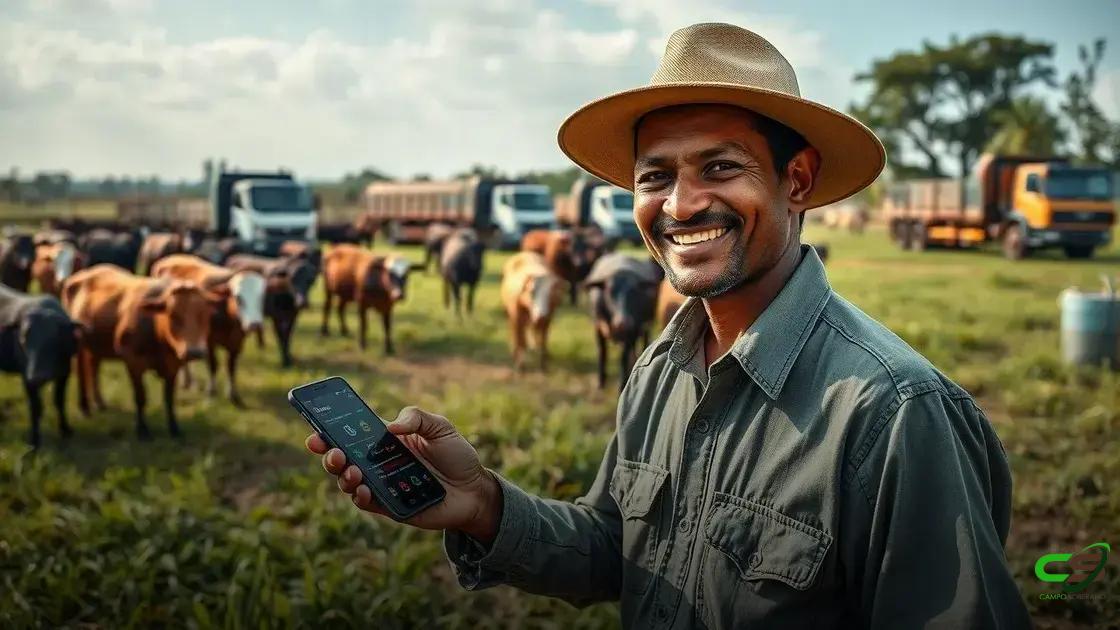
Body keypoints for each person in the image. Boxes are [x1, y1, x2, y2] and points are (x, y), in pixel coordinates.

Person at [307, 22, 1031, 629]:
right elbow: (614, 549)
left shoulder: (895, 413)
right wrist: (482, 506)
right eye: (654, 177)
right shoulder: (662, 366)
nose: (680, 205)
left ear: (798, 180)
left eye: (720, 167)